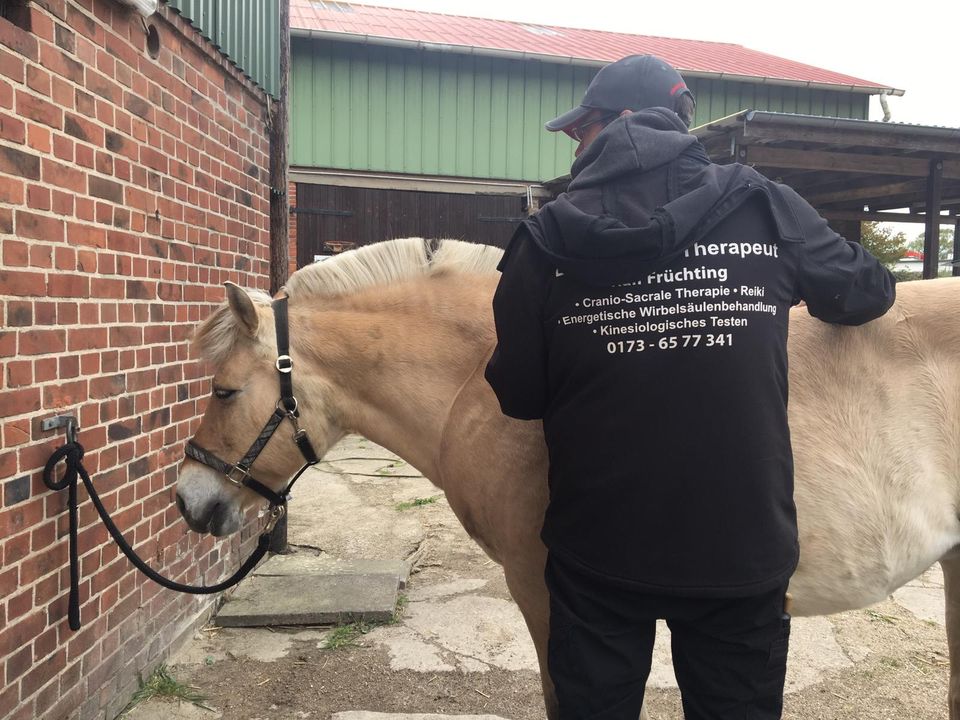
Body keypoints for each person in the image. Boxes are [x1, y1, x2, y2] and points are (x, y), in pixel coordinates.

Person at [484, 54, 896, 720]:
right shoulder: (762, 204)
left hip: (598, 551)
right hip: (740, 548)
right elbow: (867, 293)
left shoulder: (543, 239)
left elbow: (520, 395)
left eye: (578, 130)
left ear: (619, 121)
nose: (573, 145)